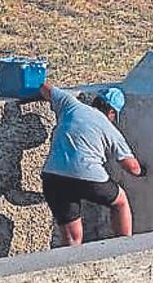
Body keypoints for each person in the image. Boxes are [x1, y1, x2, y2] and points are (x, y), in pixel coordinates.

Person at [38, 82, 144, 246]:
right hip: (88, 176)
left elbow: (44, 87)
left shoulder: (70, 104)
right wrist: (143, 170)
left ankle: (70, 268)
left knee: (72, 239)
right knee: (120, 201)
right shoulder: (109, 128)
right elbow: (132, 167)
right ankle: (124, 248)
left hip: (53, 177)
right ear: (111, 112)